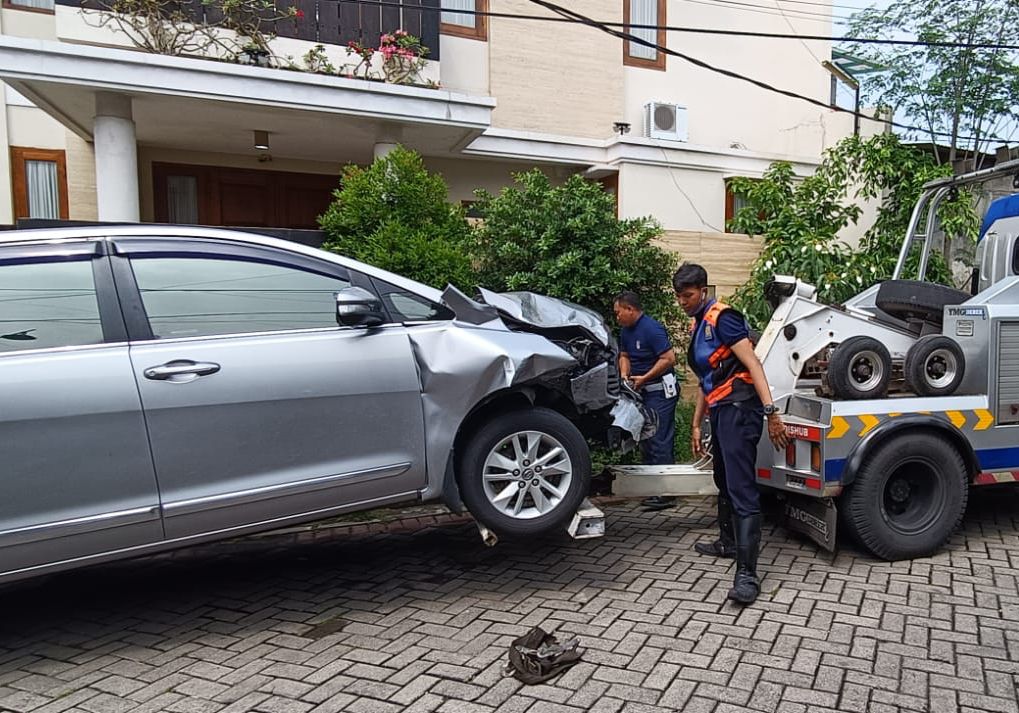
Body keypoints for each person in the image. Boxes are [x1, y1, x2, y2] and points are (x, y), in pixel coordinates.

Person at [674, 263, 788, 605]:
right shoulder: (699, 323)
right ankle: (727, 542)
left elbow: (753, 364)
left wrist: (771, 413)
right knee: (723, 478)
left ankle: (748, 575)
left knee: (741, 488)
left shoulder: (723, 319)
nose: (682, 301)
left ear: (703, 291)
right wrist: (697, 423)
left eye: (688, 295)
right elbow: (706, 381)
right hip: (721, 410)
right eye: (678, 296)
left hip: (740, 409)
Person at [613, 291, 679, 511]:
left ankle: (665, 493)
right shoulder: (626, 330)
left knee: (659, 438)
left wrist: (645, 377)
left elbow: (669, 359)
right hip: (640, 392)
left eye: (618, 312)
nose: (617, 317)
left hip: (660, 392)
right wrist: (625, 375)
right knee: (646, 439)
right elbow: (624, 355)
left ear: (630, 309)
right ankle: (652, 488)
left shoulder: (651, 329)